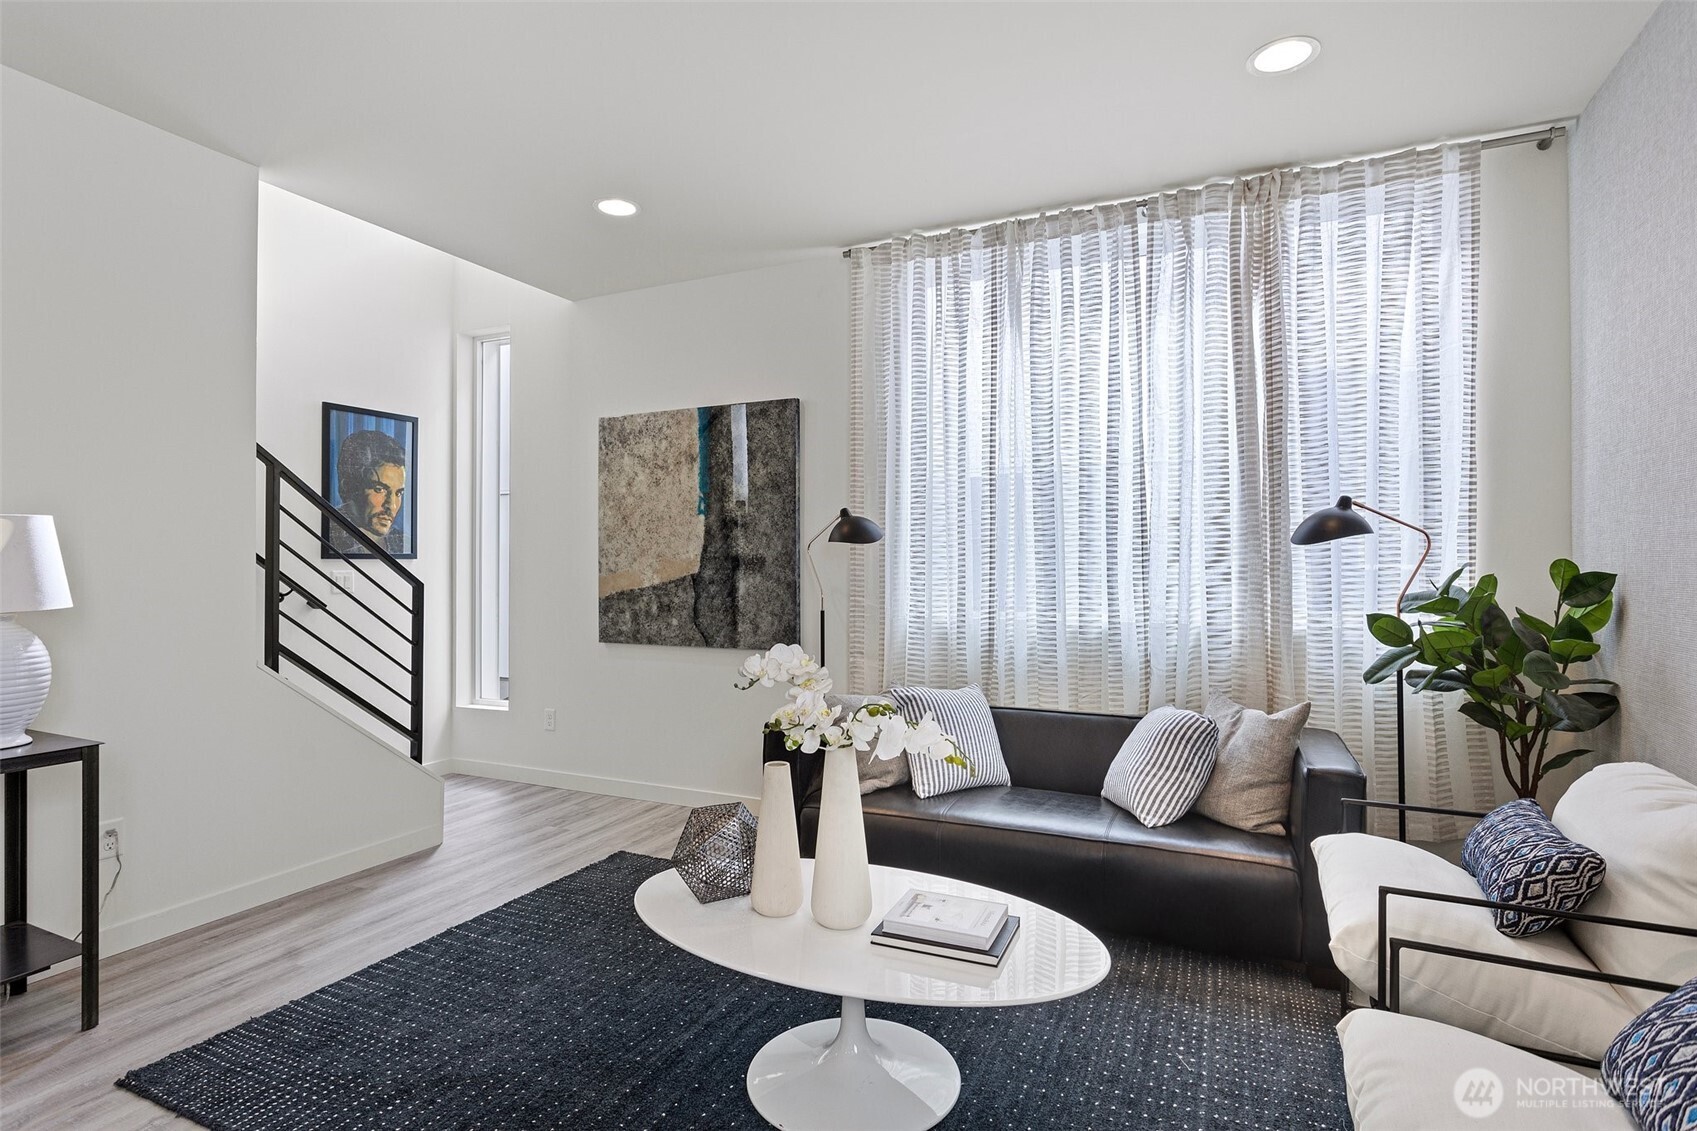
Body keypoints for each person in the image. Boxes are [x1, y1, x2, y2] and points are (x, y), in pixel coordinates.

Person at [329, 429, 408, 555]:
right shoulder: (329, 535)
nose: (391, 505)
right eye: (379, 489)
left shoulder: (402, 542)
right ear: (348, 487)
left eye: (399, 493)